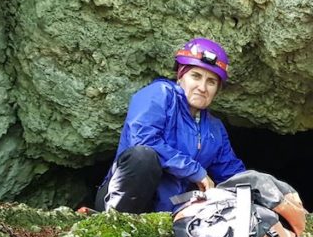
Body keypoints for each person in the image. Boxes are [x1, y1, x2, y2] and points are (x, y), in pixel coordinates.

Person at [96, 37, 246, 213]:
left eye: (211, 82)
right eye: (195, 76)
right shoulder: (160, 94)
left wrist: (261, 186)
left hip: (172, 208)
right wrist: (195, 171)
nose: (202, 87)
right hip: (122, 198)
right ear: (180, 76)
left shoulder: (215, 129)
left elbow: (231, 172)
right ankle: (115, 221)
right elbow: (143, 140)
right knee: (143, 157)